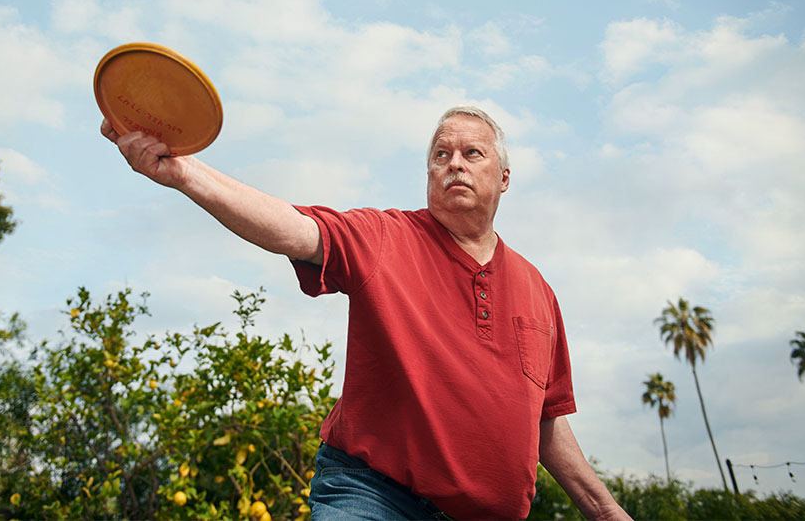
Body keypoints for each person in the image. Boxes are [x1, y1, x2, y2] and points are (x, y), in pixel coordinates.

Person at [101, 106, 630, 520]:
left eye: (472, 153)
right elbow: (292, 227)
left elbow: (543, 420)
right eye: (441, 155)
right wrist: (184, 172)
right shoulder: (386, 238)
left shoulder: (538, 290)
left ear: (505, 177)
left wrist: (603, 510)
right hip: (373, 498)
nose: (454, 164)